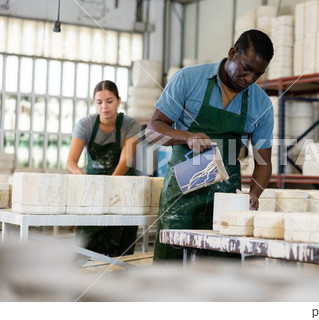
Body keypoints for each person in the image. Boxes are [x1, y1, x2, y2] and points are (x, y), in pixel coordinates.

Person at [146, 29, 274, 261]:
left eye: (258, 74)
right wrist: (186, 137)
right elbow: (153, 129)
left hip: (226, 200)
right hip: (181, 196)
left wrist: (254, 194)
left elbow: (263, 162)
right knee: (171, 270)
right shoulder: (188, 80)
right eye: (246, 68)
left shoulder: (261, 103)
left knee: (220, 275)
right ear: (232, 53)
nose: (249, 79)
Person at [66, 80, 141, 257]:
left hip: (123, 195)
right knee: (84, 253)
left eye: (109, 101)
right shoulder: (86, 124)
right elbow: (71, 162)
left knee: (121, 257)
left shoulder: (130, 125)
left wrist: (109, 186)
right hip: (93, 195)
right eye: (99, 102)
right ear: (94, 103)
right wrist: (81, 176)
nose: (104, 107)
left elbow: (125, 160)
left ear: (118, 100)